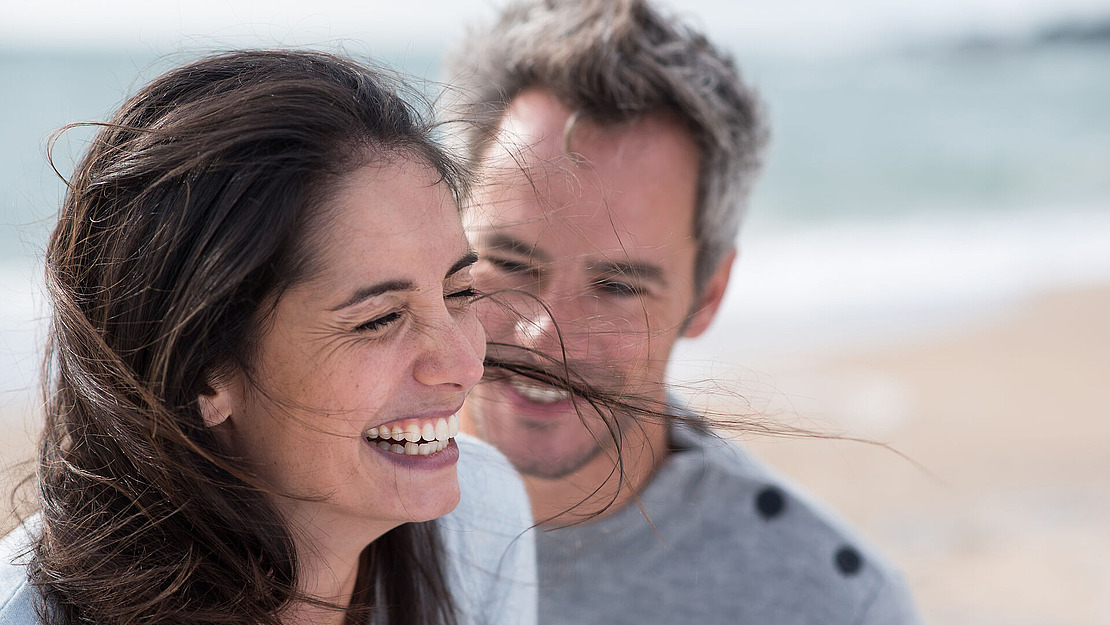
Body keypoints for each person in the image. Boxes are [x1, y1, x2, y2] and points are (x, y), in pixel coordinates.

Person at [0, 50, 535, 625]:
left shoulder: (481, 522)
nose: (464, 363)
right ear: (201, 373)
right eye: (379, 319)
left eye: (459, 294)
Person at [443, 1, 922, 623]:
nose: (545, 338)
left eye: (616, 285)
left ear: (708, 296)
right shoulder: (317, 515)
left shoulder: (829, 601)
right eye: (509, 263)